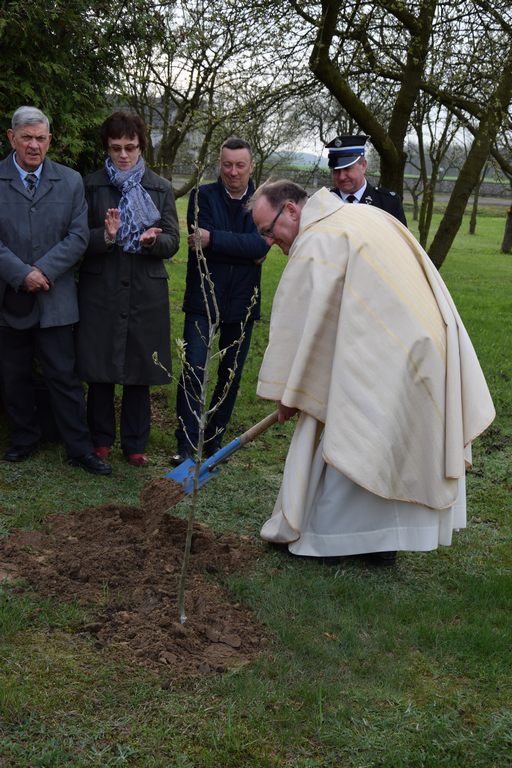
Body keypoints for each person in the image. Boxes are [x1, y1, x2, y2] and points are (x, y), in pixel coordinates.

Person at [249, 180, 495, 564]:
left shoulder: (317, 241)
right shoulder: (363, 215)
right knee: (391, 442)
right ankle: (381, 547)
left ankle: (334, 544)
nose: (269, 241)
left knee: (355, 438)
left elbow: (300, 328)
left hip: (387, 354)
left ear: (292, 211)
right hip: (423, 347)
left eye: (268, 230)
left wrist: (290, 393)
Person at [0, 106, 111, 475]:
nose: (34, 145)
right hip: (10, 296)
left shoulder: (70, 180)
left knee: (64, 376)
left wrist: (42, 270)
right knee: (14, 375)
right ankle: (24, 439)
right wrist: (21, 274)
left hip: (56, 299)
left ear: (50, 141)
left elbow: (78, 236)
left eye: (41, 138)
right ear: (12, 138)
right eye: (27, 138)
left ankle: (79, 448)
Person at [75, 111, 180, 467]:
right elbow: (77, 238)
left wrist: (153, 241)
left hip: (145, 289)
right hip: (101, 286)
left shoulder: (160, 188)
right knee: (101, 365)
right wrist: (105, 237)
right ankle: (100, 440)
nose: (123, 154)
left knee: (140, 366)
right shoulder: (90, 186)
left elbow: (173, 240)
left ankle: (135, 444)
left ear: (141, 146)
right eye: (116, 147)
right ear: (107, 147)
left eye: (130, 147)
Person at [171, 137, 269, 464]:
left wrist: (214, 239)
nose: (233, 172)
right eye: (227, 164)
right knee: (194, 370)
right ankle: (186, 444)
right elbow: (244, 248)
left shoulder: (262, 202)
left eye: (240, 165)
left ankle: (213, 443)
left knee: (230, 375)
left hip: (242, 304)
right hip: (202, 300)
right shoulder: (202, 196)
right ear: (219, 164)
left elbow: (261, 247)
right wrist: (246, 248)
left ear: (251, 166)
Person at [326, 135, 407, 225]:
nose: (341, 177)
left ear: (363, 166)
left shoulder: (388, 203)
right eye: (336, 170)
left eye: (347, 168)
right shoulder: (324, 202)